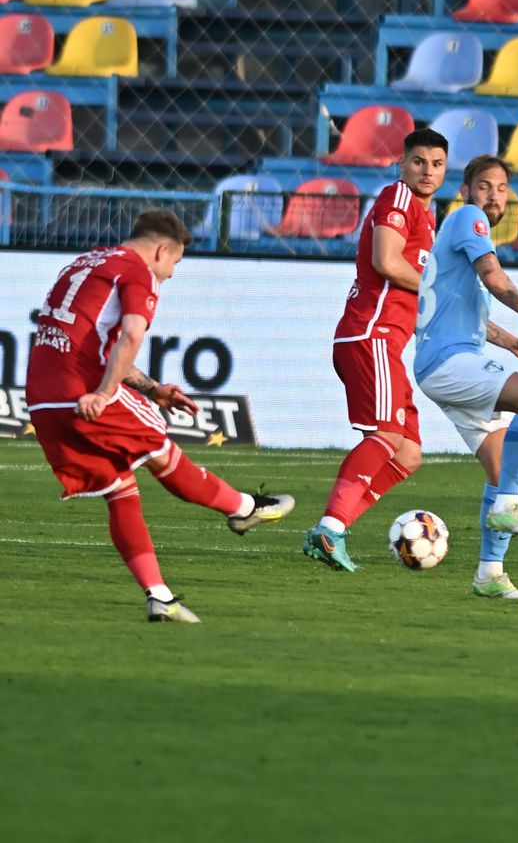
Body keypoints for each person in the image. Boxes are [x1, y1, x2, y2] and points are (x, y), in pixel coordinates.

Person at [25, 211, 294, 623]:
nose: (169, 275)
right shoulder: (137, 270)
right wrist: (102, 392)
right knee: (162, 449)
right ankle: (243, 508)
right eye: (174, 264)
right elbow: (131, 335)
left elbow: (91, 341)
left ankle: (159, 596)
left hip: (44, 400)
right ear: (162, 250)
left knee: (121, 488)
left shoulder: (85, 262)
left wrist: (152, 388)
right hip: (84, 392)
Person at [302, 128, 448, 572]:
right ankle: (330, 529)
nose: (427, 171)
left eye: (437, 164)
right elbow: (387, 261)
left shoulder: (427, 213)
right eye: (419, 161)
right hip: (373, 335)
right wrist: (435, 291)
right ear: (402, 164)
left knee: (407, 454)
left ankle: (332, 528)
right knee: (385, 437)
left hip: (383, 341)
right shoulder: (399, 198)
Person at [414, 155, 518, 600]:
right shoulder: (468, 220)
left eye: (500, 188)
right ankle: (509, 507)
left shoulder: (457, 236)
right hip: (448, 363)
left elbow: (468, 317)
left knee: (500, 469)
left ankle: (489, 574)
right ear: (467, 191)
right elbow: (493, 277)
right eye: (484, 186)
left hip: (444, 362)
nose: (493, 196)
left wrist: (512, 341)